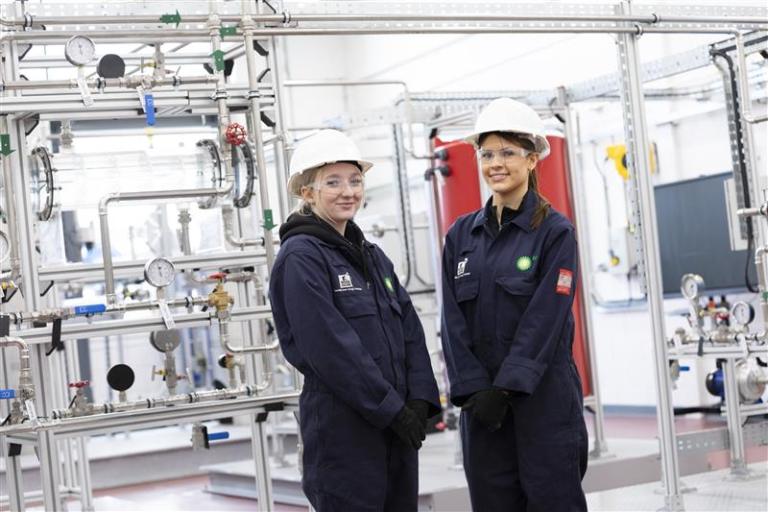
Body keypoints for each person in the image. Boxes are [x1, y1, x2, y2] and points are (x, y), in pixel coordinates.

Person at [268, 129, 441, 511]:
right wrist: (392, 409)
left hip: (395, 425)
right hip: (344, 430)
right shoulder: (301, 258)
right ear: (307, 192)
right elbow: (328, 347)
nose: (348, 191)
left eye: (355, 180)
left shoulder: (372, 256)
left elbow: (409, 329)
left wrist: (420, 400)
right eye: (333, 182)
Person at [440, 98, 588, 511]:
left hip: (543, 402)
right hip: (481, 405)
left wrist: (506, 388)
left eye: (508, 153)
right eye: (487, 154)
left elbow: (546, 319)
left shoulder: (554, 232)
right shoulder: (460, 236)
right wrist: (472, 388)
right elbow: (451, 320)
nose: (496, 164)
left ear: (533, 159)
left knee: (554, 501)